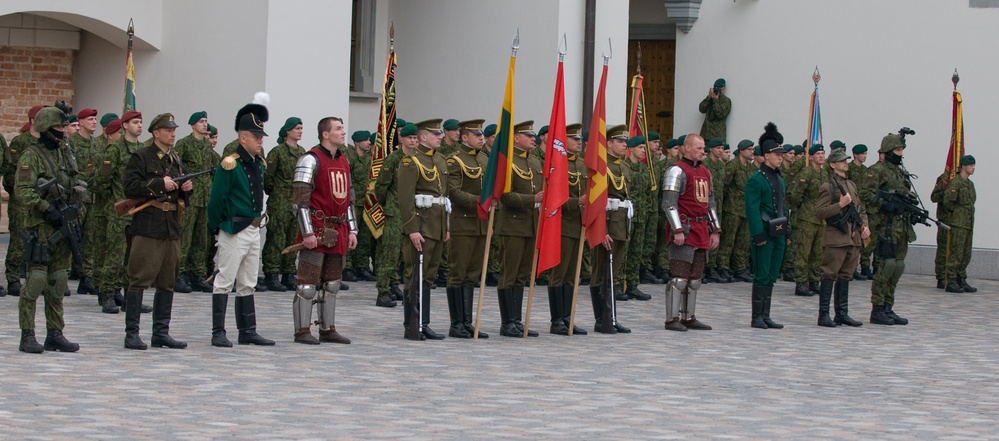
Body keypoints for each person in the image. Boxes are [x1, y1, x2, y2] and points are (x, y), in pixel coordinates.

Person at [205, 101, 277, 347]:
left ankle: (247, 330)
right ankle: (218, 331)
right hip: (234, 228)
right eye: (256, 136)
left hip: (254, 228)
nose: (260, 141)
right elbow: (216, 201)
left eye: (261, 136)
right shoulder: (230, 163)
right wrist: (217, 227)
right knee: (225, 280)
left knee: (248, 281)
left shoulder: (258, 163)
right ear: (243, 137)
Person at [121, 113, 193, 350]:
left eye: (174, 129)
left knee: (167, 280)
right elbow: (130, 187)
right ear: (156, 133)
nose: (173, 133)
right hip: (148, 224)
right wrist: (159, 184)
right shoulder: (142, 157)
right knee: (139, 278)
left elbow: (182, 196)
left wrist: (185, 188)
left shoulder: (175, 158)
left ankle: (161, 332)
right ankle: (132, 333)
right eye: (168, 129)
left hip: (170, 225)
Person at [14, 107, 82, 353]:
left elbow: (75, 178)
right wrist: (45, 207)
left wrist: (76, 195)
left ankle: (55, 333)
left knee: (58, 279)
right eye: (58, 128)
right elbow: (22, 191)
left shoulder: (65, 153)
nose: (63, 132)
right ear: (46, 129)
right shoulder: (31, 155)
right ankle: (27, 334)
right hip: (40, 227)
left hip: (62, 226)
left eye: (64, 128)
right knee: (36, 280)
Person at [291, 116, 357, 345]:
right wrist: (307, 232)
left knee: (332, 283)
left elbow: (349, 199)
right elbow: (300, 201)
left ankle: (327, 329)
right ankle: (302, 330)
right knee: (307, 285)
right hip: (317, 228)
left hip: (338, 228)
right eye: (338, 129)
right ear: (325, 134)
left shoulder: (344, 161)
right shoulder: (310, 159)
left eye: (342, 128)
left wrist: (353, 230)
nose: (343, 132)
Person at [661, 133, 719, 332]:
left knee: (694, 279)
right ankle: (672, 318)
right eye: (699, 148)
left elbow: (710, 204)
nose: (703, 151)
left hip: (702, 229)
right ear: (687, 148)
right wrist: (677, 230)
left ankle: (688, 316)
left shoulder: (706, 172)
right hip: (685, 229)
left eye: (704, 148)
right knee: (679, 278)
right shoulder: (676, 171)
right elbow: (669, 204)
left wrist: (715, 230)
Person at [398, 119, 450, 341]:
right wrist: (411, 229)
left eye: (440, 133)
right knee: (414, 275)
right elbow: (405, 199)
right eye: (435, 133)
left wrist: (446, 227)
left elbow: (443, 198)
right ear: (422, 137)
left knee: (429, 276)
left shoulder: (439, 160)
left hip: (437, 225)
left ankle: (424, 322)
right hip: (421, 225)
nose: (439, 136)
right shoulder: (411, 162)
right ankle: (412, 323)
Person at [98, 110, 152, 314]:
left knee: (133, 256)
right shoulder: (115, 150)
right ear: (125, 126)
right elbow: (102, 180)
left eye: (140, 122)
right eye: (135, 122)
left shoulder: (144, 150)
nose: (139, 125)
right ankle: (107, 293)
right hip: (118, 211)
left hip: (138, 210)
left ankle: (128, 294)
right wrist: (113, 200)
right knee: (115, 253)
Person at [496, 121, 544, 337]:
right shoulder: (507, 162)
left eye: (533, 135)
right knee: (509, 273)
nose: (533, 139)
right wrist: (531, 199)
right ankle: (507, 322)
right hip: (513, 225)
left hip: (531, 225)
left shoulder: (534, 162)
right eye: (528, 135)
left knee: (522, 275)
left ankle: (516, 320)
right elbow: (505, 195)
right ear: (515, 138)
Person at [444, 119, 490, 338]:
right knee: (458, 273)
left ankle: (467, 321)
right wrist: (479, 201)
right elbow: (453, 192)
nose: (481, 137)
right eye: (476, 134)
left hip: (482, 225)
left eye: (481, 134)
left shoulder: (484, 159)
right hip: (463, 223)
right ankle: (456, 323)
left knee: (472, 274)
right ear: (464, 137)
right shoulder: (455, 161)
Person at [860, 133, 911, 326]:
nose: (901, 154)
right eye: (898, 150)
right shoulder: (877, 170)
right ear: (888, 152)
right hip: (885, 229)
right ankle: (878, 308)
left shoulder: (899, 172)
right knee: (885, 267)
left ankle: (888, 306)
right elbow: (864, 192)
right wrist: (883, 203)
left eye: (902, 150)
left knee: (897, 267)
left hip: (900, 228)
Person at [814, 149, 868, 327]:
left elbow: (861, 209)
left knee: (846, 275)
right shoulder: (828, 186)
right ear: (832, 164)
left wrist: (865, 226)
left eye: (846, 160)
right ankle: (824, 315)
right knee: (829, 274)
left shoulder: (851, 184)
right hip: (836, 238)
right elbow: (820, 212)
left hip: (852, 238)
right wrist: (840, 205)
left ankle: (842, 313)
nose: (846, 163)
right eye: (841, 161)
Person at [545, 123, 588, 336]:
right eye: (574, 139)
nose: (579, 142)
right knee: (559, 275)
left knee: (572, 275)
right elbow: (554, 197)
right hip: (561, 225)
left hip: (578, 225)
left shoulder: (581, 165)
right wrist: (577, 203)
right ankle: (556, 320)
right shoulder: (558, 164)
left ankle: (567, 318)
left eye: (580, 139)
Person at [745, 123, 789, 329]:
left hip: (778, 232)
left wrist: (787, 230)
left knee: (772, 275)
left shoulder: (780, 180)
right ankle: (757, 317)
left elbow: (783, 206)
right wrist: (758, 234)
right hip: (764, 232)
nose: (780, 157)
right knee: (762, 274)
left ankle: (766, 314)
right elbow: (752, 209)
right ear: (766, 156)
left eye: (781, 154)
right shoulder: (757, 179)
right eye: (776, 154)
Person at [372, 123, 418, 307]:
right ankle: (382, 291)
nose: (413, 141)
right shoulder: (393, 159)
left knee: (402, 253)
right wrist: (390, 204)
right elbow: (381, 187)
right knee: (390, 252)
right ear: (402, 139)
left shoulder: (417, 159)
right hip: (394, 211)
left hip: (411, 211)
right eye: (409, 138)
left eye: (415, 138)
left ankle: (393, 284)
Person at [174, 111, 218, 293]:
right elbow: (174, 167)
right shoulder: (183, 144)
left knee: (202, 239)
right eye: (201, 121)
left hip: (205, 198)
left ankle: (198, 273)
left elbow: (216, 169)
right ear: (192, 125)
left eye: (206, 121)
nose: (204, 124)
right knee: (185, 237)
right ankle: (179, 273)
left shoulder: (208, 147)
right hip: (190, 198)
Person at [262, 117, 306, 291]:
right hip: (279, 201)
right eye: (297, 128)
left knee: (293, 237)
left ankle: (288, 272)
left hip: (296, 201)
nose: (300, 131)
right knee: (276, 238)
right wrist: (277, 192)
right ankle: (271, 273)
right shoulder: (277, 152)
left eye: (301, 128)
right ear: (287, 131)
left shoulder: (302, 152)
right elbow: (268, 179)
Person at [68, 108, 101, 297]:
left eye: (95, 119)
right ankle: (62, 276)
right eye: (90, 119)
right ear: (80, 122)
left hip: (93, 197)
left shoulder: (96, 144)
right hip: (77, 197)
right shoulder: (71, 144)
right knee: (70, 236)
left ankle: (86, 277)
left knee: (90, 239)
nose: (94, 122)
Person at [788, 143, 827, 296]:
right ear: (810, 157)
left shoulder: (824, 174)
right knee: (803, 252)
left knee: (817, 253)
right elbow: (796, 195)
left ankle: (814, 280)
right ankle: (801, 282)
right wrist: (801, 209)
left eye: (823, 153)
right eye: (818, 154)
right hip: (807, 218)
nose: (821, 156)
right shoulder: (806, 173)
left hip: (821, 218)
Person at [717, 139, 756, 283]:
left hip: (746, 209)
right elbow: (725, 187)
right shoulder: (732, 166)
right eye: (749, 149)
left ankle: (740, 267)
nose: (752, 152)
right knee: (728, 240)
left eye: (753, 149)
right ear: (741, 151)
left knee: (743, 241)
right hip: (732, 209)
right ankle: (723, 267)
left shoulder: (751, 169)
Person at [343, 130, 376, 283]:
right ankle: (347, 267)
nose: (369, 142)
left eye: (369, 140)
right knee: (351, 232)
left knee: (364, 236)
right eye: (365, 140)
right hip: (354, 201)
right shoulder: (350, 158)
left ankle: (362, 265)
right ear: (356, 142)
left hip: (367, 201)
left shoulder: (370, 158)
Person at [623, 135, 653, 301]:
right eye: (641, 148)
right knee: (624, 251)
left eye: (644, 148)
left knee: (636, 251)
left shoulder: (643, 169)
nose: (643, 151)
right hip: (626, 217)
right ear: (631, 149)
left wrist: (646, 211)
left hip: (641, 216)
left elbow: (647, 193)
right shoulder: (624, 166)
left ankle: (633, 285)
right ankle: (619, 284)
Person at [941, 155, 977, 293]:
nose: (973, 168)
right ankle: (951, 280)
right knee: (956, 252)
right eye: (971, 165)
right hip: (958, 223)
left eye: (974, 165)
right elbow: (948, 203)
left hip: (968, 223)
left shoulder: (969, 184)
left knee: (965, 253)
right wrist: (957, 214)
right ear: (963, 166)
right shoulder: (956, 183)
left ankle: (961, 278)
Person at [701, 137, 728, 283]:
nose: (720, 151)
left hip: (718, 206)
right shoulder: (704, 165)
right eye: (718, 148)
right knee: (704, 236)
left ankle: (712, 267)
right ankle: (703, 268)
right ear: (710, 149)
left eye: (722, 148)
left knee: (715, 234)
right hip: (705, 206)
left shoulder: (721, 166)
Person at [847, 144, 872, 280]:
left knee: (862, 237)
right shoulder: (849, 169)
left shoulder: (866, 170)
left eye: (866, 153)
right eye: (862, 154)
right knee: (852, 239)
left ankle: (859, 267)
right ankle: (850, 268)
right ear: (855, 155)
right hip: (852, 205)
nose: (864, 156)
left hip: (862, 206)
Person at [698, 78, 731, 143]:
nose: (717, 91)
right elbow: (701, 109)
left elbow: (721, 114)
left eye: (719, 89)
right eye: (715, 88)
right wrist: (709, 97)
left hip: (717, 135)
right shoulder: (710, 98)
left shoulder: (726, 101)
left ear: (724, 88)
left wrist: (716, 100)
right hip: (705, 134)